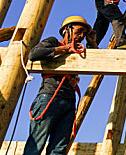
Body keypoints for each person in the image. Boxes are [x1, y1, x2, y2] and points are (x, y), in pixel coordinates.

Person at [23, 16, 95, 155]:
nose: (81, 36)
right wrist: (64, 49)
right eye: (78, 31)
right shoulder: (53, 42)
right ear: (67, 30)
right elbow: (34, 54)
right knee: (36, 145)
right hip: (49, 97)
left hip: (69, 102)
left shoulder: (79, 51)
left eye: (84, 34)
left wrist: (92, 43)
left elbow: (96, 63)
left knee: (59, 149)